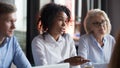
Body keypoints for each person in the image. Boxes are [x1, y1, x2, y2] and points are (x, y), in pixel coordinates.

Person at [31, 3, 89, 68]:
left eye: (66, 21)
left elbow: (76, 66)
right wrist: (67, 62)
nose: (64, 24)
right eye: (60, 20)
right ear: (49, 20)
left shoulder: (68, 39)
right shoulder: (38, 41)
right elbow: (43, 67)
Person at [0, 2, 31, 68]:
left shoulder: (12, 41)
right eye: (9, 21)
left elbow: (26, 66)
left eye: (14, 21)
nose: (14, 27)